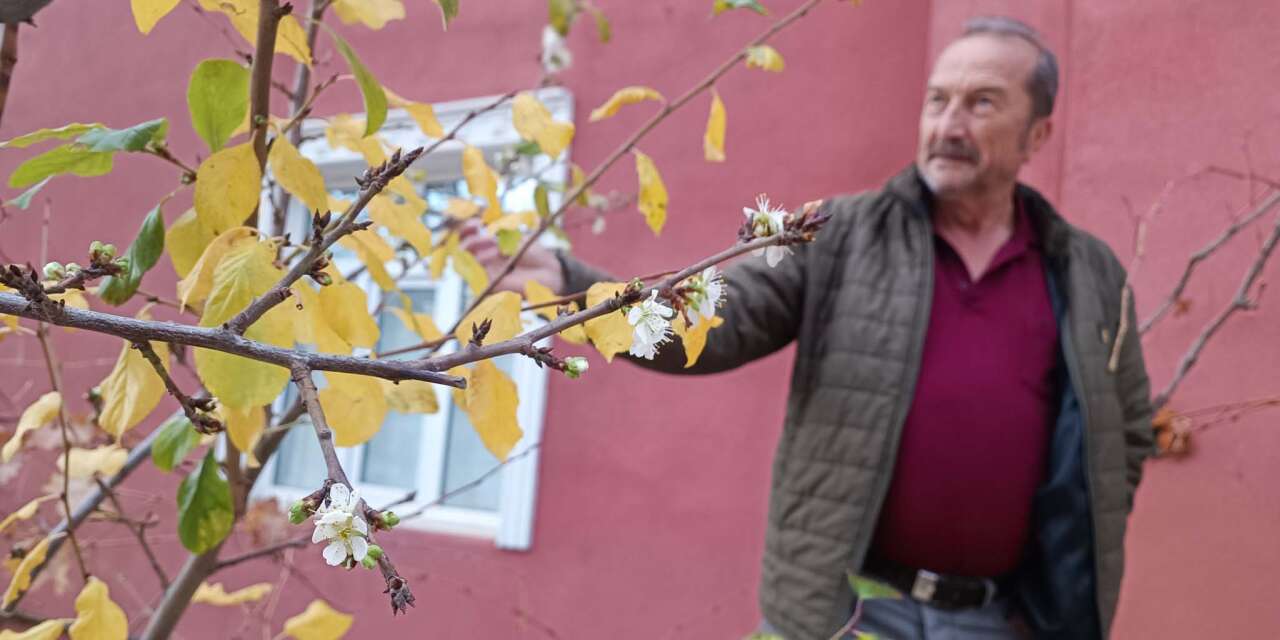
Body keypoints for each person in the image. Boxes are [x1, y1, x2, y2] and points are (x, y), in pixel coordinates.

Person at [458, 16, 1153, 640]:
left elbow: (1125, 431)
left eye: (982, 103)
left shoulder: (1086, 272)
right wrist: (575, 285)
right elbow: (718, 326)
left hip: (1001, 618)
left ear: (1038, 134)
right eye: (938, 99)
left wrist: (1072, 546)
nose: (949, 124)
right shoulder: (840, 233)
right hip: (844, 611)